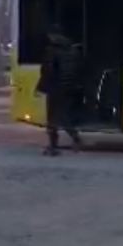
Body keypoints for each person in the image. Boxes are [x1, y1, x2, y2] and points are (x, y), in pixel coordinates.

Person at [36, 27, 83, 155]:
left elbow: (47, 71)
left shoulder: (51, 51)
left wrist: (40, 87)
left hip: (55, 88)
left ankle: (53, 146)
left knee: (52, 117)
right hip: (69, 87)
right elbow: (77, 69)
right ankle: (75, 138)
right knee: (63, 115)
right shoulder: (73, 50)